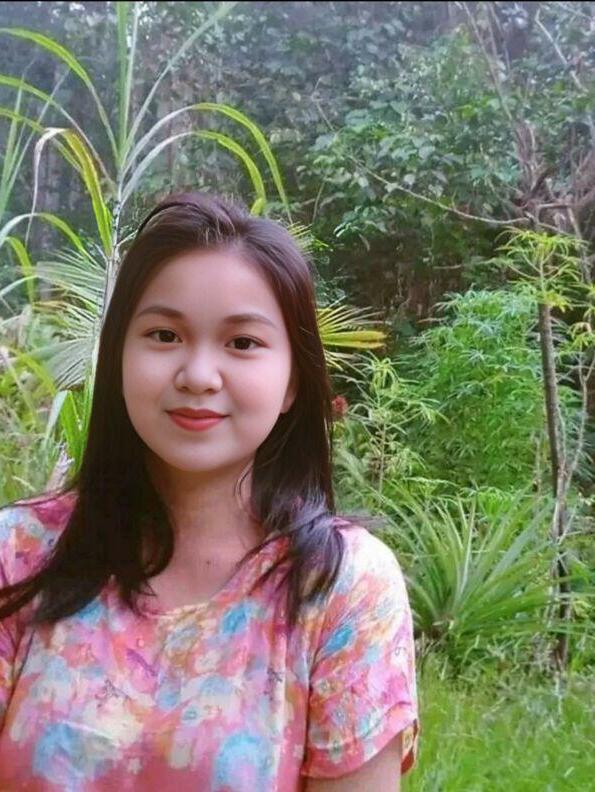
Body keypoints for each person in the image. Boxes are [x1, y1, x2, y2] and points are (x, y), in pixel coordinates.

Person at [0, 192, 419, 790]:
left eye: (242, 342)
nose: (198, 376)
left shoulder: (341, 587)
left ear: (293, 381)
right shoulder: (18, 554)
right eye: (164, 334)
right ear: (118, 357)